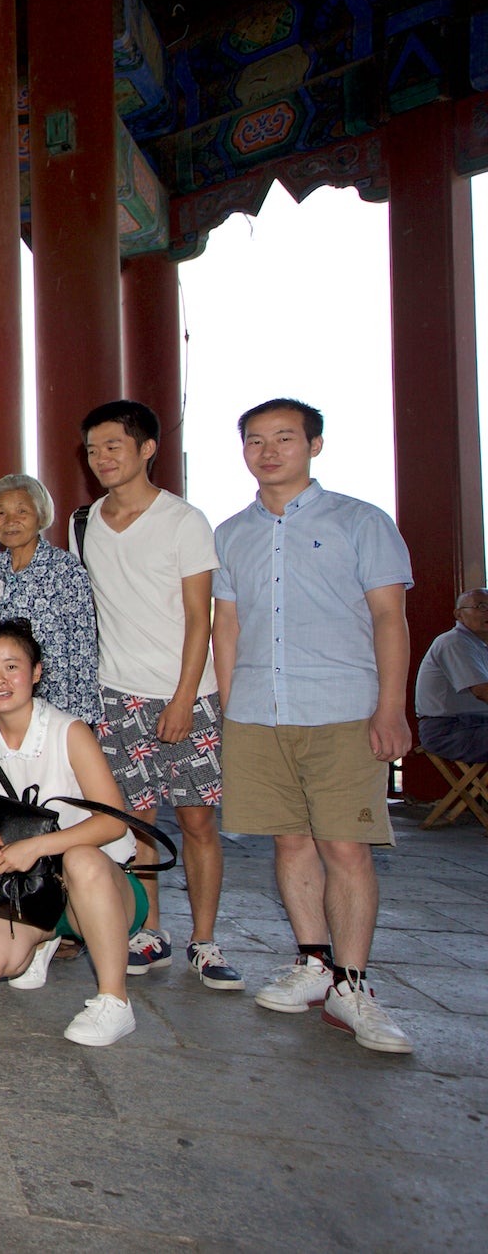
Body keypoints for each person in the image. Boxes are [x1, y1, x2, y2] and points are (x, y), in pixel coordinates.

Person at [213, 398, 415, 1054]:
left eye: (284, 438)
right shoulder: (233, 530)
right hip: (257, 708)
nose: (268, 451)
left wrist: (391, 705)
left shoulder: (362, 521)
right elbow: (229, 625)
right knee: (290, 842)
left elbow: (390, 616)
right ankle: (312, 962)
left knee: (346, 847)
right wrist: (225, 704)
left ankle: (353, 984)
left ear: (315, 445)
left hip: (340, 706)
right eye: (255, 440)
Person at [78, 399, 239, 991]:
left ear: (148, 448)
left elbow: (202, 618)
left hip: (185, 696)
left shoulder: (183, 520)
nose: (102, 459)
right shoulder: (88, 520)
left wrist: (183, 697)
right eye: (93, 449)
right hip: (117, 696)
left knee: (197, 821)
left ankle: (205, 938)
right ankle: (150, 931)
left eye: (114, 446)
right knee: (136, 822)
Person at [0, 620, 144, 1047]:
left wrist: (38, 846)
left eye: (12, 666)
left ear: (36, 672)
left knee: (80, 858)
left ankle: (115, 1001)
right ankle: (46, 936)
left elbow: (115, 821)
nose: (0, 680)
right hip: (32, 887)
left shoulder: (69, 732)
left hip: (105, 885)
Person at [0, 474, 99, 725]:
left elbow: (83, 649)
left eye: (22, 511)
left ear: (41, 516)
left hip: (58, 708)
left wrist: (79, 721)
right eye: (1, 513)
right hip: (7, 703)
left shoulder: (65, 568)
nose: (10, 521)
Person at [415, 589, 488, 763]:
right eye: (481, 606)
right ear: (459, 614)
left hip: (475, 724)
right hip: (449, 730)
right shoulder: (454, 642)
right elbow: (482, 691)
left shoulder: (479, 645)